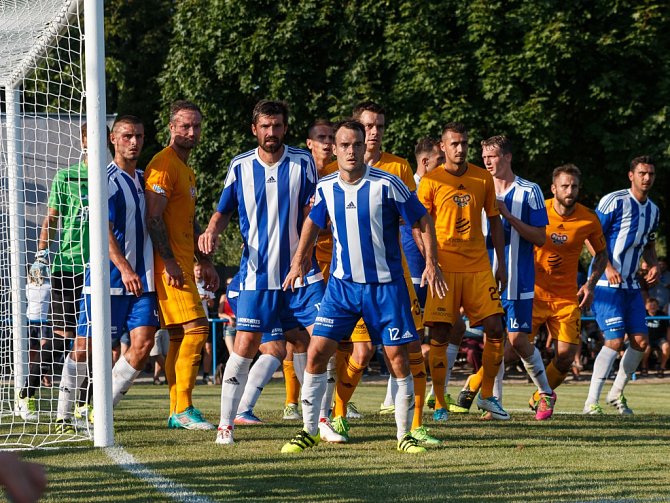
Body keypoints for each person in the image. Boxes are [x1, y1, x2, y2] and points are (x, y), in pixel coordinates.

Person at [280, 119, 447, 454]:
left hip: (386, 288)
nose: (351, 151)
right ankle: (310, 429)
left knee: (398, 357)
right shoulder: (326, 186)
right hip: (342, 288)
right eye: (344, 145)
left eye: (356, 144)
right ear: (336, 149)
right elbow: (312, 224)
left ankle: (404, 435)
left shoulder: (388, 184)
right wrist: (299, 261)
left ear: (363, 146)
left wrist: (431, 262)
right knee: (316, 352)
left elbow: (422, 219)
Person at [198, 100, 324, 445]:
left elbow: (313, 213)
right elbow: (222, 211)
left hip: (301, 274)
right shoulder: (240, 166)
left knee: (316, 342)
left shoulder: (303, 163)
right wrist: (212, 231)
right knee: (246, 346)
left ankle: (318, 420)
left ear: (286, 127)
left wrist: (306, 254)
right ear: (255, 129)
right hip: (257, 276)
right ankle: (226, 423)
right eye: (265, 126)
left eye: (278, 126)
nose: (272, 132)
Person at [325, 102, 435, 443]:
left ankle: (416, 425)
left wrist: (429, 260)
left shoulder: (397, 167)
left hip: (392, 278)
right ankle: (338, 414)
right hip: (350, 279)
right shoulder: (332, 169)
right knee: (361, 351)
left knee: (410, 350)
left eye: (380, 127)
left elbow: (414, 219)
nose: (374, 133)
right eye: (369, 126)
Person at [55, 115, 160, 432]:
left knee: (142, 345)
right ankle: (63, 413)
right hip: (106, 281)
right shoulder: (106, 179)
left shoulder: (145, 180)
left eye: (139, 136)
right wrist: (125, 268)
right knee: (85, 348)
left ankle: (100, 412)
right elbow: (105, 230)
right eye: (127, 135)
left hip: (143, 282)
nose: (134, 141)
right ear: (113, 139)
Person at [456, 135, 552, 419]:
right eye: (484, 156)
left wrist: (508, 216)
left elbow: (540, 237)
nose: (487, 161)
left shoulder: (529, 191)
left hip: (518, 279)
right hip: (484, 278)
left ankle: (546, 393)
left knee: (519, 342)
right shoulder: (477, 187)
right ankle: (492, 402)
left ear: (507, 157)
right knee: (493, 340)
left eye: (493, 156)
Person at [418, 122, 509, 420]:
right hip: (444, 268)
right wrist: (430, 261)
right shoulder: (431, 181)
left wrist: (501, 263)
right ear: (443, 147)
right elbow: (419, 225)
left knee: (496, 328)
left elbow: (494, 221)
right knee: (441, 332)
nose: (460, 149)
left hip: (479, 267)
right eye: (454, 143)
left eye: (464, 143)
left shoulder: (482, 178)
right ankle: (441, 401)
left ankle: (486, 396)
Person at [145, 100, 219, 430]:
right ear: (172, 127)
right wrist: (172, 262)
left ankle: (177, 410)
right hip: (169, 266)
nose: (191, 132)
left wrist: (204, 260)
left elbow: (186, 223)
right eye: (185, 126)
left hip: (184, 263)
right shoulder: (163, 164)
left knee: (178, 336)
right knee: (198, 330)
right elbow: (154, 217)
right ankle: (184, 407)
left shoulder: (186, 168)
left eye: (196, 126)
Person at [583, 156, 660, 415]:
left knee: (640, 341)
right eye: (642, 173)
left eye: (650, 173)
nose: (646, 178)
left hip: (631, 287)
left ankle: (616, 394)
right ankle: (590, 402)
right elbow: (590, 236)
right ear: (631, 175)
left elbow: (648, 245)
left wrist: (654, 265)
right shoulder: (613, 201)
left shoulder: (653, 210)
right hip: (606, 283)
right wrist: (607, 266)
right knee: (614, 342)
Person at [30, 123, 93, 421]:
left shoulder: (110, 178)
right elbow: (51, 219)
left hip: (101, 270)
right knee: (61, 338)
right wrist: (41, 255)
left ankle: (86, 402)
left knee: (95, 339)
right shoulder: (66, 177)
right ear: (82, 141)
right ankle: (28, 390)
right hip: (68, 266)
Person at [531, 164, 608, 403]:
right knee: (510, 351)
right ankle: (476, 388)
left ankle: (539, 398)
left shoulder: (588, 218)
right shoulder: (537, 210)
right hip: (532, 294)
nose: (570, 190)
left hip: (565, 298)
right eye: (564, 185)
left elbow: (602, 254)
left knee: (565, 357)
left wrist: (590, 284)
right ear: (554, 188)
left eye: (574, 186)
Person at [15, 271, 52, 421]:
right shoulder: (27, 287)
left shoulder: (48, 286)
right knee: (32, 351)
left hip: (44, 322)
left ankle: (45, 376)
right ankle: (33, 376)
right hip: (30, 321)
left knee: (44, 350)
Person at [194, 261, 216, 385]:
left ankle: (206, 375)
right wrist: (198, 298)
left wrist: (208, 299)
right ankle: (191, 375)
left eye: (200, 270)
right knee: (194, 349)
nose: (198, 272)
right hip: (192, 320)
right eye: (196, 270)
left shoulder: (206, 284)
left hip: (204, 319)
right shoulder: (190, 283)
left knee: (207, 349)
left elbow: (212, 304)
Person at [641, 297, 669, 377]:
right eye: (650, 305)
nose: (652, 307)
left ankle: (662, 368)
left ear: (657, 306)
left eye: (654, 305)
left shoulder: (662, 315)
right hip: (647, 338)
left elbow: (668, 329)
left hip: (659, 338)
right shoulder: (642, 314)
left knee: (666, 347)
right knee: (646, 347)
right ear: (646, 306)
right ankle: (644, 367)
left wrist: (668, 340)